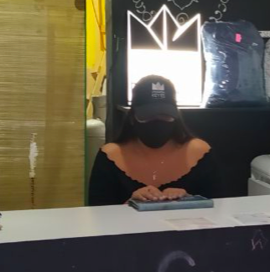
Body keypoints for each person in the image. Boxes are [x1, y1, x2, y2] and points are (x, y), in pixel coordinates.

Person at [88, 75, 220, 206]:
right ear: (132, 118)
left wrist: (189, 200)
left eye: (165, 116)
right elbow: (97, 211)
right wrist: (130, 204)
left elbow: (220, 205)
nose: (157, 122)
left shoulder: (199, 152)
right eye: (148, 117)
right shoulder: (111, 156)